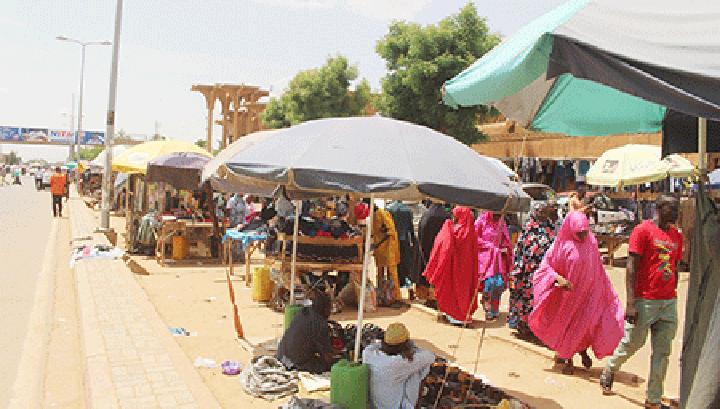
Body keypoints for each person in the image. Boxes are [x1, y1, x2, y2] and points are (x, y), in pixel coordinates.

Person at [601, 195, 683, 409]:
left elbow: (675, 265)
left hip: (668, 302)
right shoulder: (642, 231)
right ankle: (611, 367)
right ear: (659, 208)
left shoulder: (677, 236)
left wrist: (672, 289)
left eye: (677, 209)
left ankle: (653, 399)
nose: (676, 213)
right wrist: (631, 303)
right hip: (645, 300)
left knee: (663, 352)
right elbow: (631, 267)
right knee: (633, 343)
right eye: (672, 208)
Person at [529, 211, 624, 375]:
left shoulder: (591, 242)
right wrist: (559, 279)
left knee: (587, 325)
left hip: (589, 294)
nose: (583, 236)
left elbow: (598, 268)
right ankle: (568, 358)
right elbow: (545, 267)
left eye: (585, 232)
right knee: (569, 326)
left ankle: (580, 351)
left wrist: (603, 290)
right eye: (579, 233)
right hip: (568, 296)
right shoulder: (561, 245)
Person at [508, 202, 558, 337]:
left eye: (544, 211)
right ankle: (523, 326)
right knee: (525, 298)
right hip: (526, 272)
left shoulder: (550, 228)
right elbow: (520, 250)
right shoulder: (528, 228)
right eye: (540, 211)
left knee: (539, 299)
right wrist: (518, 269)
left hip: (543, 272)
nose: (542, 214)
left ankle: (536, 328)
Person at [423, 207, 479, 325]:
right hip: (467, 269)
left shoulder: (451, 230)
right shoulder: (472, 232)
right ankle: (464, 314)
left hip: (452, 268)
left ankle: (455, 315)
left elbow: (444, 248)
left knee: (452, 291)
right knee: (464, 292)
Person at [363, 323, 435, 409]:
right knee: (418, 370)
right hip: (395, 406)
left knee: (414, 366)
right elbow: (430, 356)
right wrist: (410, 346)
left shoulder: (368, 353)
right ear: (405, 345)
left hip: (374, 405)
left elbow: (375, 345)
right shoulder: (399, 362)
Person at [277, 291, 335, 374]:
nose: (330, 312)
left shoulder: (302, 312)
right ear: (325, 308)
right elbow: (327, 357)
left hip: (282, 356)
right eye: (330, 308)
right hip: (295, 365)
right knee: (331, 366)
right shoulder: (320, 324)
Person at [475, 211, 513, 321]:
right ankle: (487, 307)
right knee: (489, 283)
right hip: (485, 257)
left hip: (498, 259)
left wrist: (505, 248)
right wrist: (488, 246)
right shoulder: (481, 221)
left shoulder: (502, 223)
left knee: (499, 284)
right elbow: (475, 237)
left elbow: (506, 240)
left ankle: (495, 308)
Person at [417, 201, 450, 305]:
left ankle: (428, 297)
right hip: (441, 249)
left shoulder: (426, 215)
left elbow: (420, 232)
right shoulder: (446, 216)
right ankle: (436, 298)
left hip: (425, 246)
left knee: (426, 271)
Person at [386, 200, 418, 294]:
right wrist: (413, 240)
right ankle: (404, 280)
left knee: (395, 262)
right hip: (404, 239)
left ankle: (397, 281)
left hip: (392, 240)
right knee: (405, 261)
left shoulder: (388, 209)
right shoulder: (407, 210)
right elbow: (410, 228)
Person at [372, 205, 402, 303]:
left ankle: (396, 297)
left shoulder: (382, 214)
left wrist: (378, 244)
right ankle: (382, 295)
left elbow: (390, 231)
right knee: (380, 272)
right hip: (380, 248)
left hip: (389, 246)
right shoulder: (373, 215)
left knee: (392, 272)